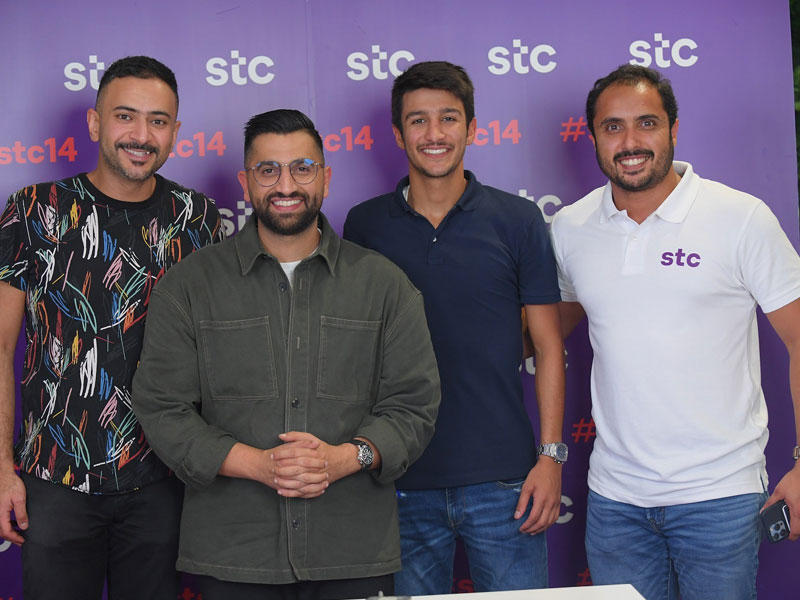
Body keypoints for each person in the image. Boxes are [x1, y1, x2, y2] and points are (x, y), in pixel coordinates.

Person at [131, 108, 440, 600]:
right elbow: (163, 407)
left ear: (326, 178)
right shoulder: (190, 286)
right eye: (268, 170)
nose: (286, 185)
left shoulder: (384, 285)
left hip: (352, 549)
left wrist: (346, 458)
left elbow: (414, 405)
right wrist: (258, 465)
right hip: (234, 555)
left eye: (302, 168)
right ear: (245, 182)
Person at [551, 64, 800, 600]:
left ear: (674, 129)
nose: (630, 142)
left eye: (647, 123)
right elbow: (548, 333)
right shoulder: (570, 228)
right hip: (615, 501)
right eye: (613, 127)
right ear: (592, 136)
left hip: (721, 496)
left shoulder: (740, 217)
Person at [0, 56, 223, 599]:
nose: (141, 135)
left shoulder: (198, 219)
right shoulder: (35, 209)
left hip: (163, 482)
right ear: (96, 122)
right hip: (54, 479)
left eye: (158, 121)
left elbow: (220, 353)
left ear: (174, 132)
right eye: (126, 116)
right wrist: (1, 467)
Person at [344, 61, 566, 594]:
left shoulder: (518, 220)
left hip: (505, 479)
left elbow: (547, 346)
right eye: (418, 120)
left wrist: (551, 458)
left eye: (448, 118)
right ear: (397, 133)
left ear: (471, 127)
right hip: (400, 478)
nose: (434, 133)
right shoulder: (365, 224)